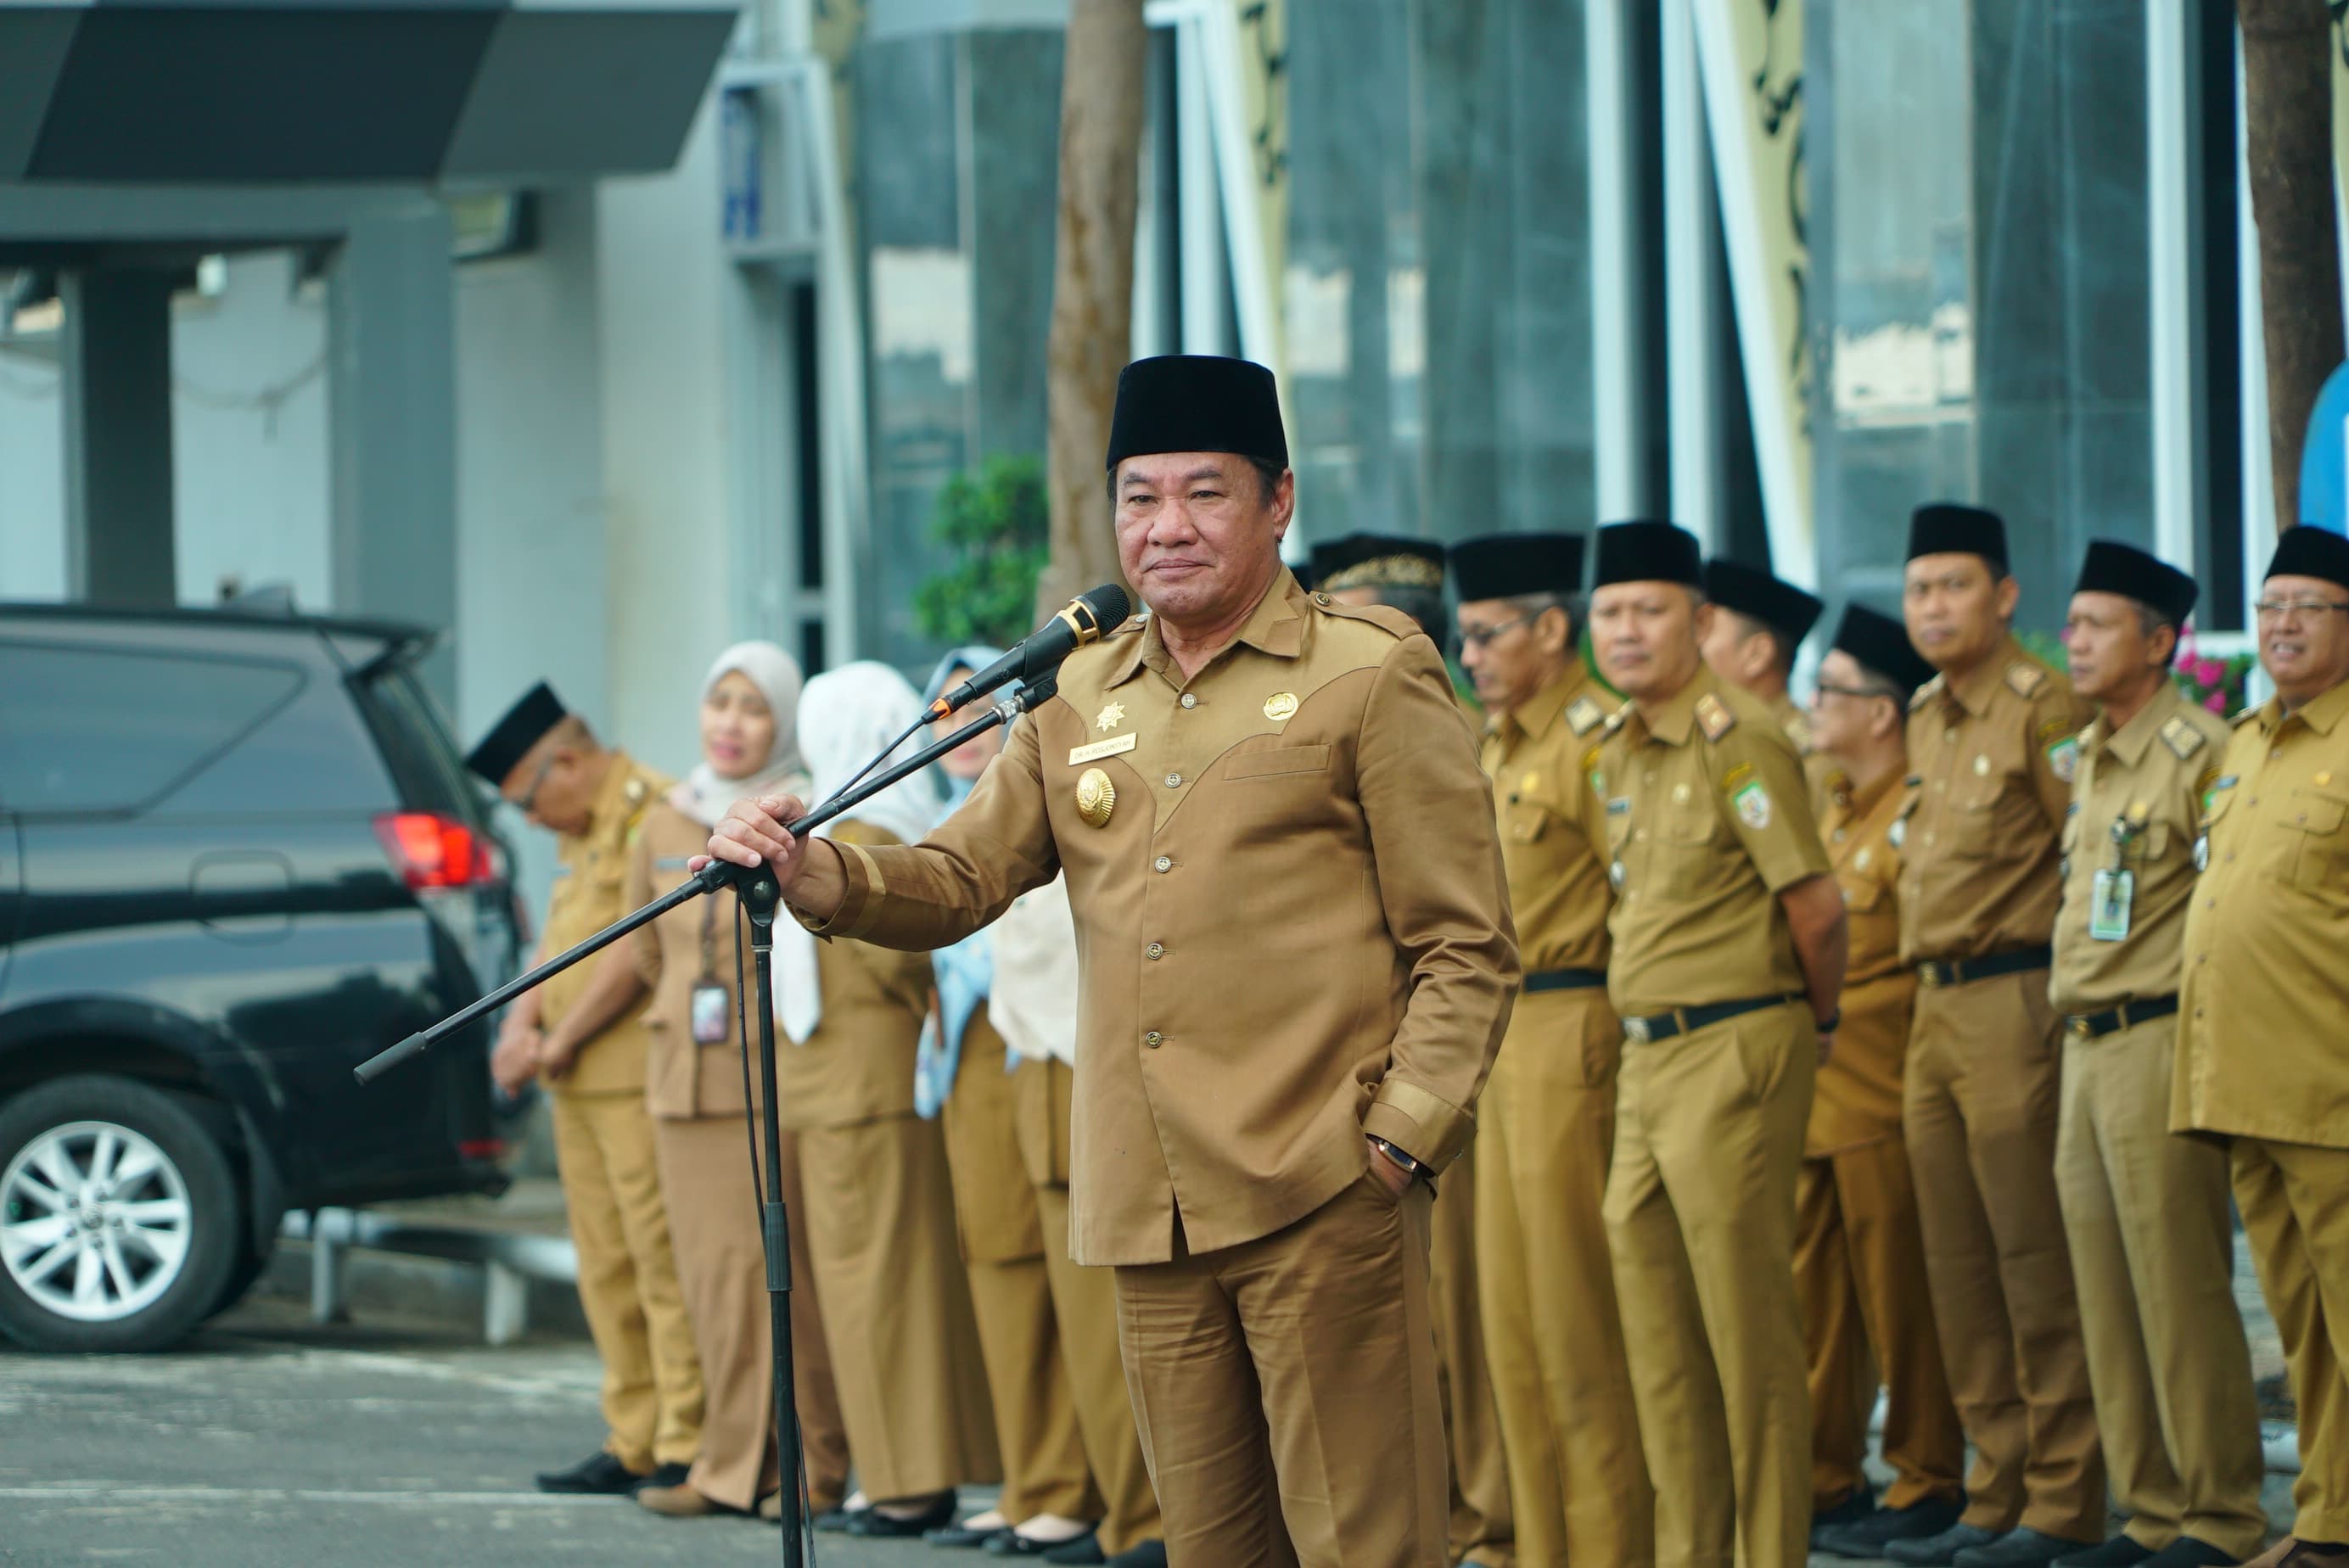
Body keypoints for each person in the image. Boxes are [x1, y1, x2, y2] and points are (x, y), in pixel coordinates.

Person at [702, 353, 1519, 1568]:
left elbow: (1467, 941)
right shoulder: (1079, 688)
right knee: (1208, 1549)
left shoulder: (1368, 670)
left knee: (1366, 1546)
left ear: (1278, 501)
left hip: (1321, 1189)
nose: (1167, 528)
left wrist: (1398, 1139)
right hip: (1150, 1206)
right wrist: (818, 872)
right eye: (1140, 497)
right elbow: (962, 876)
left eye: (1206, 493)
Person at [1586, 519, 1847, 1568]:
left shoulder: (1736, 734)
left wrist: (1814, 1024)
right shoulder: (1616, 744)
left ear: (1698, 622)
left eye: (1649, 610)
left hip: (1737, 1043)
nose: (1625, 631)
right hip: (1647, 1060)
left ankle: (1768, 1551)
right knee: (1658, 1340)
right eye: (1608, 612)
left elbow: (1817, 908)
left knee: (1746, 1335)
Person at [1889, 503, 2105, 1568]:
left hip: (2015, 998)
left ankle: (2064, 1497)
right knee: (1956, 1260)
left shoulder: (2042, 703)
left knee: (2031, 1255)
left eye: (1954, 586)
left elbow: (2087, 849)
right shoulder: (1924, 712)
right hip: (1930, 1005)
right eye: (1918, 588)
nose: (1932, 607)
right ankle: (1994, 1486)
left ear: (2005, 595)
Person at [2046, 542, 2268, 1568]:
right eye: (2073, 622)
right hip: (2082, 1045)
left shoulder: (2197, 750)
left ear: (2158, 641)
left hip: (2155, 1034)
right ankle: (2146, 1513)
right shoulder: (2089, 751)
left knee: (2177, 1288)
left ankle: (2218, 1515)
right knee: (2104, 1288)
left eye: (2095, 625)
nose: (2073, 641)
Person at [607, 643, 857, 1522]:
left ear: (781, 723)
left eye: (752, 707)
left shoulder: (806, 819)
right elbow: (645, 951)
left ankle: (808, 1468)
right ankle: (734, 1464)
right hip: (684, 1080)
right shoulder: (666, 823)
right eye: (719, 702)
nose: (730, 723)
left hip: (773, 1077)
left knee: (790, 1281)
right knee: (712, 1283)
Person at [1450, 528, 1650, 1567]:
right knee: (1512, 1327)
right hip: (1498, 1037)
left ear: (1550, 628)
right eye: (1464, 638)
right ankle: (1534, 1541)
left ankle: (1609, 1544)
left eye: (1487, 636)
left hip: (1574, 1024)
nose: (1470, 655)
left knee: (1579, 1325)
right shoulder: (1494, 740)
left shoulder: (1591, 737)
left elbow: (1639, 900)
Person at [1318, 529, 1516, 1568]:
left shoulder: (1437, 721)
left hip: (1453, 1061)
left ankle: (1480, 1518)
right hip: (1369, 1073)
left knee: (1473, 1312)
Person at [769, 661, 1002, 1539]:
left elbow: (899, 957)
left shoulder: (865, 824)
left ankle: (907, 1480)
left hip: (867, 1087)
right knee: (868, 1287)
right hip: (845, 1085)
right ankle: (896, 1470)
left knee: (881, 1289)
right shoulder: (863, 815)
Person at [467, 685, 704, 1498]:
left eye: (529, 800)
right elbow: (557, 939)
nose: (531, 820)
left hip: (634, 1080)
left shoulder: (659, 808)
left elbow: (638, 939)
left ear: (564, 761)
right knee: (604, 1268)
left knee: (657, 1260)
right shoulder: (579, 829)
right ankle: (631, 1435)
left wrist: (557, 1040)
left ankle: (684, 1435)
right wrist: (514, 1026)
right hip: (575, 1090)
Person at [913, 645, 1117, 1561]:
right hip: (993, 1061)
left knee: (1093, 1302)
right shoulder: (936, 822)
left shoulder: (1076, 788)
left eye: (989, 705)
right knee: (1010, 1277)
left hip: (1075, 1047)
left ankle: (1124, 1510)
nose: (964, 725)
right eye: (950, 709)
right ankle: (1042, 1484)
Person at [2174, 525, 2349, 1568]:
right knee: (2306, 1334)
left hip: (2329, 1085)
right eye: (2268, 604)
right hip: (2243, 1084)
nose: (2280, 625)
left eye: (2307, 608)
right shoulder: (2240, 740)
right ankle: (2327, 1526)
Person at [1798, 606, 1968, 1560]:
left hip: (1882, 1089)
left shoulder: (1918, 806)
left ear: (1881, 713)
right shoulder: (1827, 803)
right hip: (1817, 1097)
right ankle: (1828, 1475)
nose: (1815, 704)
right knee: (1818, 1298)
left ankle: (1925, 1474)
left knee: (1901, 1296)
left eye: (1832, 691)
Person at [1700, 557, 1834, 809]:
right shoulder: (1706, 741)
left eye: (1706, 630)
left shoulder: (1808, 759)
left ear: (1757, 655)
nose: (1690, 646)